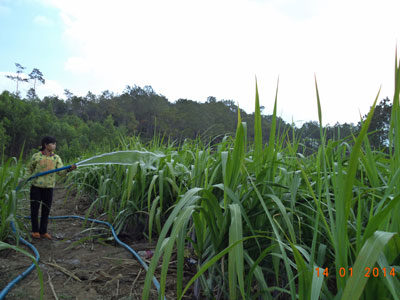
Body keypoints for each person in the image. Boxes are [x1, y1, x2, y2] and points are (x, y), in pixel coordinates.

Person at [27, 136, 77, 239]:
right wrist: (26, 179)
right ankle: (35, 231)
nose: (54, 145)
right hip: (36, 187)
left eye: (55, 143)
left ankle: (43, 232)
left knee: (46, 209)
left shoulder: (56, 158)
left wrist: (69, 169)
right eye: (52, 143)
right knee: (34, 209)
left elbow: (60, 172)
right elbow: (29, 169)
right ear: (45, 144)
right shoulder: (36, 156)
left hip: (49, 187)